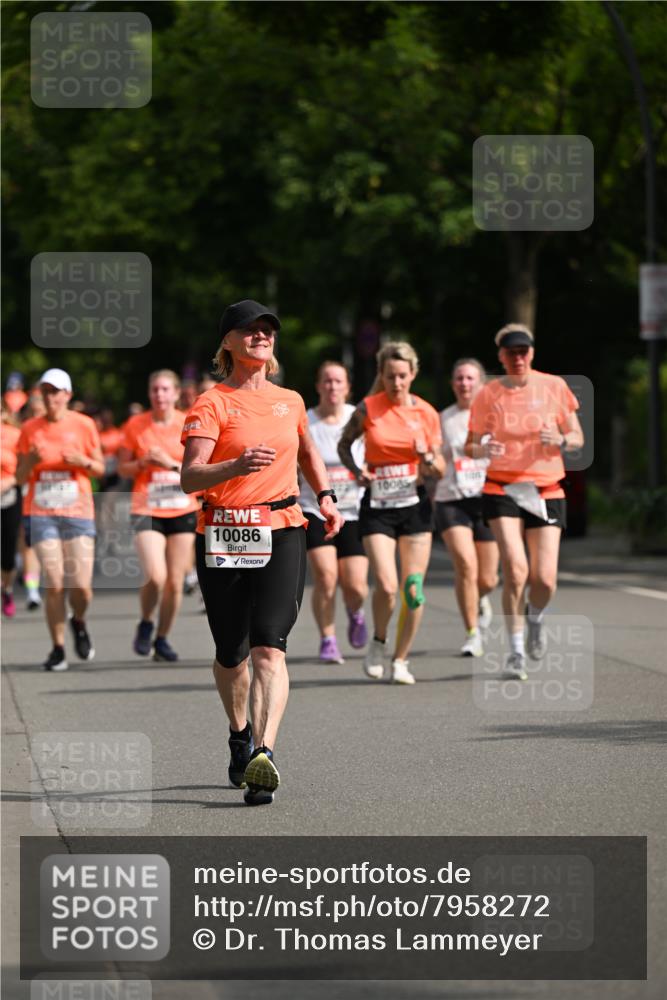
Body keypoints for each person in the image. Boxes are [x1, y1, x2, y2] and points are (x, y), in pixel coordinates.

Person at [180, 299, 343, 806]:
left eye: (267, 329)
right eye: (249, 329)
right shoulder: (212, 403)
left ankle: (263, 755)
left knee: (269, 647)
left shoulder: (290, 401)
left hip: (283, 528)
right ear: (227, 342)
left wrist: (327, 496)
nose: (261, 335)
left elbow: (309, 453)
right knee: (232, 654)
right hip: (223, 532)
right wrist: (236, 466)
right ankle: (239, 733)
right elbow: (190, 477)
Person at [465, 324, 584, 679]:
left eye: (523, 351)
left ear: (531, 353)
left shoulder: (554, 386)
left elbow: (577, 436)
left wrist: (561, 439)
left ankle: (536, 615)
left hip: (546, 489)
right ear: (501, 356)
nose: (518, 358)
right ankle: (516, 650)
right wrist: (483, 448)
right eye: (511, 352)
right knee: (516, 570)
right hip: (502, 488)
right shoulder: (488, 393)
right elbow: (469, 446)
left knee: (544, 579)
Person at [338, 341, 445, 685]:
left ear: (413, 374)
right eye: (389, 376)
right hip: (378, 507)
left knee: (413, 588)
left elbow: (440, 468)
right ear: (381, 376)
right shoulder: (369, 408)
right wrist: (357, 472)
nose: (396, 383)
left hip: (414, 505)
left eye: (402, 376)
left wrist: (428, 458)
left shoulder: (426, 413)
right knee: (386, 586)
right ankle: (379, 641)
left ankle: (401, 659)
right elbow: (344, 445)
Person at [15, 369, 104, 671]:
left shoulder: (84, 424)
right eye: (45, 391)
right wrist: (30, 462)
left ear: (68, 395)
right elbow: (19, 477)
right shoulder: (30, 428)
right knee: (53, 583)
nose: (50, 397)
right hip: (41, 513)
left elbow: (100, 468)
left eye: (56, 391)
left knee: (81, 586)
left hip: (78, 511)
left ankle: (78, 620)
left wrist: (83, 461)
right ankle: (57, 648)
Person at [117, 370, 199, 662]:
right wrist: (141, 463)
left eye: (165, 389)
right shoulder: (135, 425)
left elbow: (199, 467)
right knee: (156, 576)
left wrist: (168, 463)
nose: (160, 395)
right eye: (155, 390)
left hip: (182, 507)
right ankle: (146, 621)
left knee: (175, 582)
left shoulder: (189, 423)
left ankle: (162, 638)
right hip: (147, 507)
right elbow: (122, 468)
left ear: (176, 393)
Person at [298, 361, 368, 664]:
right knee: (326, 577)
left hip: (353, 509)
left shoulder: (359, 418)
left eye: (338, 381)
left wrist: (370, 472)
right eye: (327, 381)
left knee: (356, 585)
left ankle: (355, 611)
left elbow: (376, 453)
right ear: (318, 386)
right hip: (315, 509)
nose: (332, 386)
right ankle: (328, 639)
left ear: (347, 387)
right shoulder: (306, 421)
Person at [433, 359, 499, 657]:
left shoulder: (495, 417)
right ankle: (472, 632)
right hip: (451, 499)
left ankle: (481, 598)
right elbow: (435, 460)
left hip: (488, 498)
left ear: (481, 383)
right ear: (453, 384)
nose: (464, 383)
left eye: (470, 378)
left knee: (488, 579)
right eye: (459, 378)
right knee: (466, 565)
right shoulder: (442, 419)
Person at [1, 402, 22, 617]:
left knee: (7, 553)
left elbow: (25, 468)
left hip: (9, 496)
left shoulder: (15, 435)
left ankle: (6, 589)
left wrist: (10, 482)